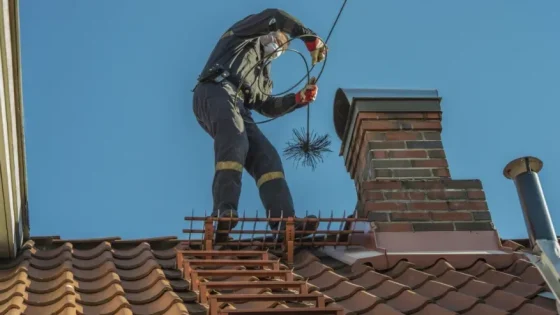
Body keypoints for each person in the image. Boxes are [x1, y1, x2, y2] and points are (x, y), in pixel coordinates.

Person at [192, 8, 327, 241]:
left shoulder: (263, 77)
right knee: (235, 138)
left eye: (281, 48)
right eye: (276, 39)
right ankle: (224, 211)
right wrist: (308, 37)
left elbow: (265, 104)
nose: (276, 46)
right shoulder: (242, 35)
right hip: (215, 89)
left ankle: (285, 224)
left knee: (268, 158)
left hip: (239, 106)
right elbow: (274, 15)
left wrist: (297, 99)